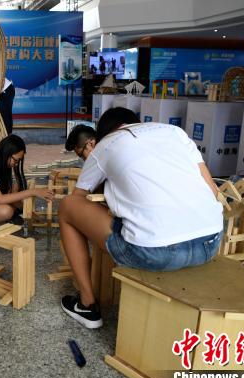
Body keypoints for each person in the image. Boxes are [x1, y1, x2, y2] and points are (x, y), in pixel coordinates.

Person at [59, 107, 223, 329]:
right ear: (135, 123)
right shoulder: (175, 133)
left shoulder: (105, 145)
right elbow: (212, 190)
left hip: (152, 252)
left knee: (68, 207)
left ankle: (87, 304)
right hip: (210, 244)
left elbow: (79, 198)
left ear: (100, 136)